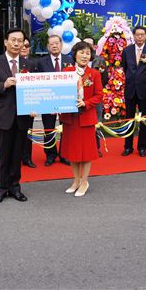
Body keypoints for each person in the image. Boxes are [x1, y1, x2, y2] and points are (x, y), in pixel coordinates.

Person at [0, 28, 34, 204]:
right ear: (5, 42)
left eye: (20, 40)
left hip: (22, 117)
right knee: (3, 155)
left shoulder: (29, 64)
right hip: (2, 116)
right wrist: (3, 84)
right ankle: (1, 188)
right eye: (13, 40)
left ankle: (15, 187)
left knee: (17, 155)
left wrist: (35, 105)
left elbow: (36, 89)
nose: (17, 43)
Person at [60, 41, 103, 197]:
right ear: (75, 54)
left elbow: (99, 95)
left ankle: (84, 181)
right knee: (73, 151)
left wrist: (86, 102)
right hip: (70, 118)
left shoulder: (94, 74)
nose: (85, 56)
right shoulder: (67, 71)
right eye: (82, 52)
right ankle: (76, 180)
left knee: (86, 152)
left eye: (88, 53)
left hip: (86, 117)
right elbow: (59, 93)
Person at [121, 26, 146, 157]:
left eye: (142, 35)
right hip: (130, 90)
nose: (139, 37)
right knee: (129, 119)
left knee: (144, 120)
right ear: (133, 35)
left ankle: (142, 147)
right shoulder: (127, 51)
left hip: (144, 90)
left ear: (145, 35)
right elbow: (124, 67)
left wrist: (145, 80)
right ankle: (128, 147)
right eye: (137, 34)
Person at [36, 34, 72, 166]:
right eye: (52, 44)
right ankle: (50, 154)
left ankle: (64, 154)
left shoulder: (70, 60)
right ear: (47, 47)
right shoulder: (41, 62)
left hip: (65, 100)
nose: (55, 46)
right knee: (49, 128)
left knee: (66, 128)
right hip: (48, 101)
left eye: (57, 43)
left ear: (61, 45)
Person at [84, 37, 108, 157]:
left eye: (89, 44)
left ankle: (96, 147)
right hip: (81, 99)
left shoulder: (100, 60)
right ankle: (84, 148)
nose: (87, 46)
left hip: (96, 98)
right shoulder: (77, 60)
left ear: (94, 47)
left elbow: (105, 78)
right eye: (84, 44)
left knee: (96, 122)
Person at [19, 37, 37, 168]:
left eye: (27, 45)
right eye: (22, 45)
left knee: (28, 132)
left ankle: (27, 158)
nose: (24, 47)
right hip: (12, 104)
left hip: (29, 103)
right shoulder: (10, 63)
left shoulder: (33, 64)